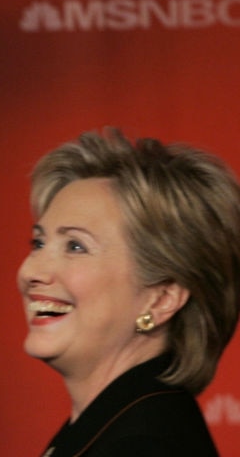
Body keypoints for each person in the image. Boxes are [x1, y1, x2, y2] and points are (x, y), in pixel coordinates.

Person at [17, 128, 240, 456]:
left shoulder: (146, 444)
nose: (30, 271)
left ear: (161, 299)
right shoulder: (111, 423)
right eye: (39, 243)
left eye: (76, 246)